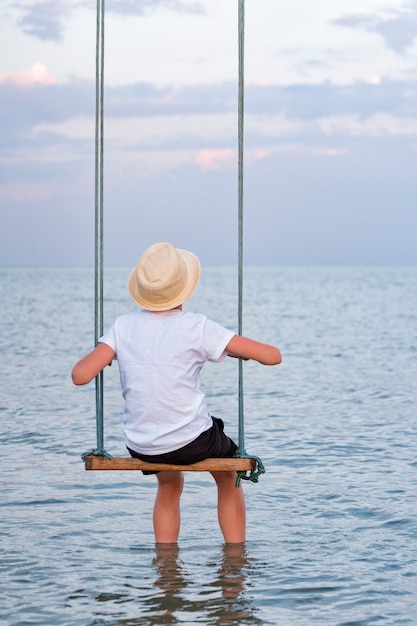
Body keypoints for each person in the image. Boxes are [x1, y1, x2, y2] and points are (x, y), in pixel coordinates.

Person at [72, 242, 281, 544]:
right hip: (191, 441)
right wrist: (235, 350)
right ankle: (235, 561)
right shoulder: (197, 327)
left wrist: (113, 355)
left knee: (169, 484)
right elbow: (273, 356)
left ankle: (166, 569)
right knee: (227, 474)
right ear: (185, 288)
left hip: (143, 444)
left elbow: (80, 376)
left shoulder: (123, 326)